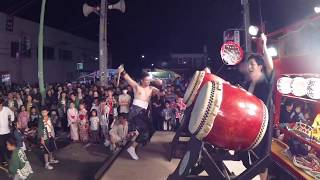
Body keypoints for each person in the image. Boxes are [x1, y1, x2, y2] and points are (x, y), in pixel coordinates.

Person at [239, 33, 274, 180]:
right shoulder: (248, 83)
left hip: (262, 127)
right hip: (249, 126)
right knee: (245, 157)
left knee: (261, 161)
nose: (249, 67)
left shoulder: (265, 82)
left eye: (252, 64)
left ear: (260, 67)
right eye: (249, 64)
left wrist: (264, 45)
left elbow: (271, 67)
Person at [117, 66, 162, 160]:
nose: (148, 82)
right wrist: (123, 71)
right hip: (136, 111)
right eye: (146, 80)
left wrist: (160, 84)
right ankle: (132, 147)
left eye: (149, 80)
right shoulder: (136, 86)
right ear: (142, 80)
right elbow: (128, 78)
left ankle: (134, 139)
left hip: (144, 112)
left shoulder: (151, 88)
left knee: (150, 130)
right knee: (144, 130)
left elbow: (160, 93)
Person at [0, 98, 15, 166]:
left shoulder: (6, 109)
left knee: (10, 146)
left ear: (1, 104)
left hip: (7, 132)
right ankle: (3, 160)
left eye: (0, 104)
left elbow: (12, 117)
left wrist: (11, 120)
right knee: (2, 147)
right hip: (0, 133)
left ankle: (11, 158)